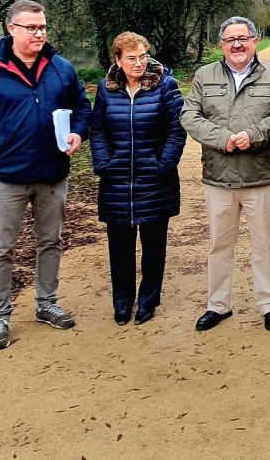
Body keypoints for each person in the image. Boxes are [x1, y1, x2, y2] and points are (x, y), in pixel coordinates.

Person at [0, 0, 91, 351]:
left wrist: (78, 132)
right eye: (31, 27)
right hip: (5, 179)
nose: (39, 33)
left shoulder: (60, 68)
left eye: (43, 27)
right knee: (0, 250)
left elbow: (82, 107)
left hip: (52, 174)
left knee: (51, 242)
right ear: (11, 29)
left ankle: (47, 304)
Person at [180, 16, 270, 332]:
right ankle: (218, 305)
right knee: (219, 246)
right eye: (230, 39)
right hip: (219, 178)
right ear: (221, 44)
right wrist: (222, 138)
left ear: (254, 40)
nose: (237, 44)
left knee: (266, 245)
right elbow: (189, 115)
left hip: (261, 176)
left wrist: (255, 134)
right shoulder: (205, 76)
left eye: (243, 38)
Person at [89, 32, 188, 326]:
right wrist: (104, 163)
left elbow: (177, 128)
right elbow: (98, 129)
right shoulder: (107, 90)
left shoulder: (165, 85)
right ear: (117, 60)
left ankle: (148, 301)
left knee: (153, 245)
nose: (138, 64)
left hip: (155, 178)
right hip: (116, 179)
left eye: (142, 57)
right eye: (131, 58)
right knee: (119, 247)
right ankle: (122, 303)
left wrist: (164, 164)